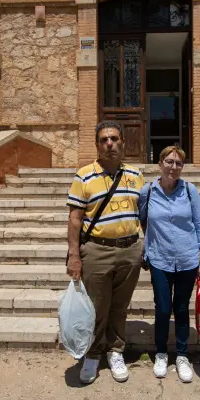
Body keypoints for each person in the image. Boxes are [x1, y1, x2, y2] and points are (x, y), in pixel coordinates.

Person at [66, 121, 145, 385]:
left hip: (130, 250)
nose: (109, 143)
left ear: (123, 142)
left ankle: (115, 351)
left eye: (114, 138)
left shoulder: (135, 175)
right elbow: (75, 219)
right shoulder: (84, 176)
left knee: (120, 307)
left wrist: (147, 247)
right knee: (96, 307)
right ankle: (92, 354)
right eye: (103, 140)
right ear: (97, 145)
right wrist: (74, 256)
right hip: (97, 251)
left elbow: (143, 214)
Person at [138, 146, 200, 383]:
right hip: (159, 258)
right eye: (169, 162)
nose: (173, 167)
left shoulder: (189, 190)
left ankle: (181, 355)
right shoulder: (148, 191)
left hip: (187, 259)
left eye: (178, 163)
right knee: (162, 307)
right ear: (160, 163)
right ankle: (160, 353)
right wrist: (149, 244)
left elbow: (199, 223)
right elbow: (143, 220)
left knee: (181, 307)